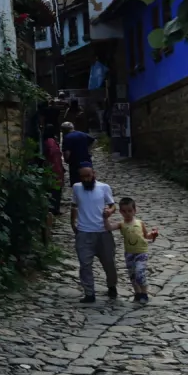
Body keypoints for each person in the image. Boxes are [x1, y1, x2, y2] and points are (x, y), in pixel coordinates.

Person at [71, 165, 119, 303]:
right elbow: (74, 205)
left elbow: (112, 205)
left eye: (89, 175)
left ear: (94, 174)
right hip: (84, 232)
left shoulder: (104, 187)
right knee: (85, 264)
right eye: (83, 177)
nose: (87, 179)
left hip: (103, 231)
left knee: (109, 263)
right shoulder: (76, 188)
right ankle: (89, 293)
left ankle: (112, 286)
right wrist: (72, 223)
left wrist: (110, 211)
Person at [107, 196, 158, 304]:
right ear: (120, 212)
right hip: (129, 253)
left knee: (140, 272)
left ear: (135, 210)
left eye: (130, 211)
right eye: (124, 211)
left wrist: (153, 235)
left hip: (141, 252)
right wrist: (105, 218)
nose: (127, 213)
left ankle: (144, 293)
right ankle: (137, 293)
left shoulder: (140, 223)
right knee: (132, 275)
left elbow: (146, 235)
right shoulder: (121, 224)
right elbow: (109, 228)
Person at [61, 121, 94, 185]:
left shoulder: (67, 137)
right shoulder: (82, 134)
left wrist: (66, 159)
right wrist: (89, 150)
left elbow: (67, 152)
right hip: (86, 159)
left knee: (77, 181)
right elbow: (93, 141)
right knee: (89, 177)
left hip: (75, 161)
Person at [43, 130, 65, 214]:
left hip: (53, 168)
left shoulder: (47, 142)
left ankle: (53, 208)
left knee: (54, 189)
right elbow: (54, 155)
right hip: (55, 169)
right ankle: (54, 208)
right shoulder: (51, 142)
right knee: (55, 190)